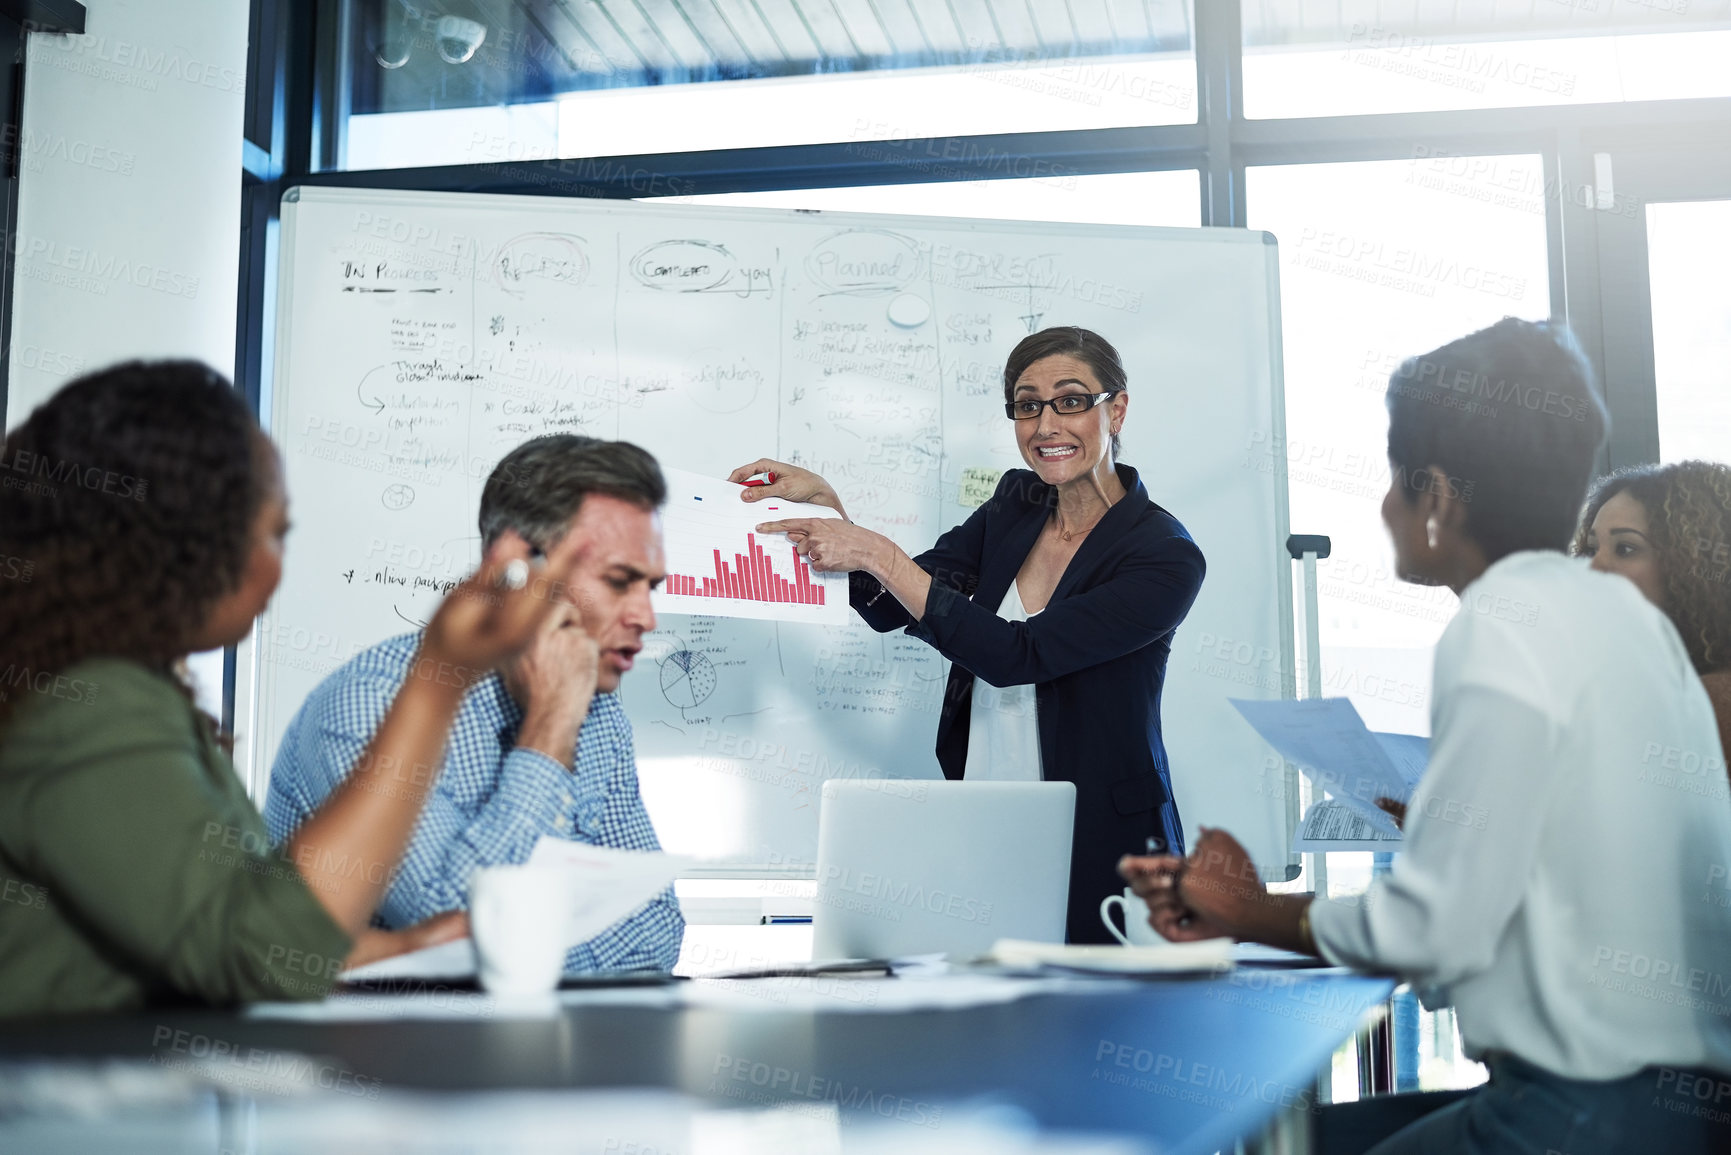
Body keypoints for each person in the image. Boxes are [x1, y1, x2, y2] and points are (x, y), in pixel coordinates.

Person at [1122, 318, 1731, 1154]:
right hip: (1675, 1109)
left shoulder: (1499, 623)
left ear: (1437, 497)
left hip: (1577, 1115)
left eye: (1392, 482)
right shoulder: (1623, 621)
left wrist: (1247, 909)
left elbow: (1436, 927)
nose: (1383, 508)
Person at [0, 362, 579, 1015]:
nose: (279, 561)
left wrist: (410, 946)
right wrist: (438, 676)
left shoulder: (114, 689)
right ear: (187, 541)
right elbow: (256, 949)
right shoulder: (89, 703)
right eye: (275, 531)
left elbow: (218, 920)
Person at [731, 326, 1206, 944]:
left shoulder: (1164, 556)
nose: (1045, 425)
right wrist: (831, 516)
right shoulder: (1017, 503)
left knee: (1091, 1027)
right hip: (985, 816)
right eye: (1026, 404)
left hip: (1105, 843)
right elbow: (898, 601)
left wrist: (876, 551)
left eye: (1069, 400)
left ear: (1115, 409)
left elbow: (1020, 654)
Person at [266, 434, 683, 973]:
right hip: (366, 1048)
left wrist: (518, 947)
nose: (647, 619)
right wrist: (549, 732)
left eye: (652, 586)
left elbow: (658, 929)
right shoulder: (370, 704)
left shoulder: (598, 711)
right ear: (521, 571)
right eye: (620, 582)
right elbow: (459, 931)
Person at [1573, 461, 1731, 768]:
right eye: (1592, 549)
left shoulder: (1710, 704)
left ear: (1689, 569)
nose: (1592, 568)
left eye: (1626, 549)